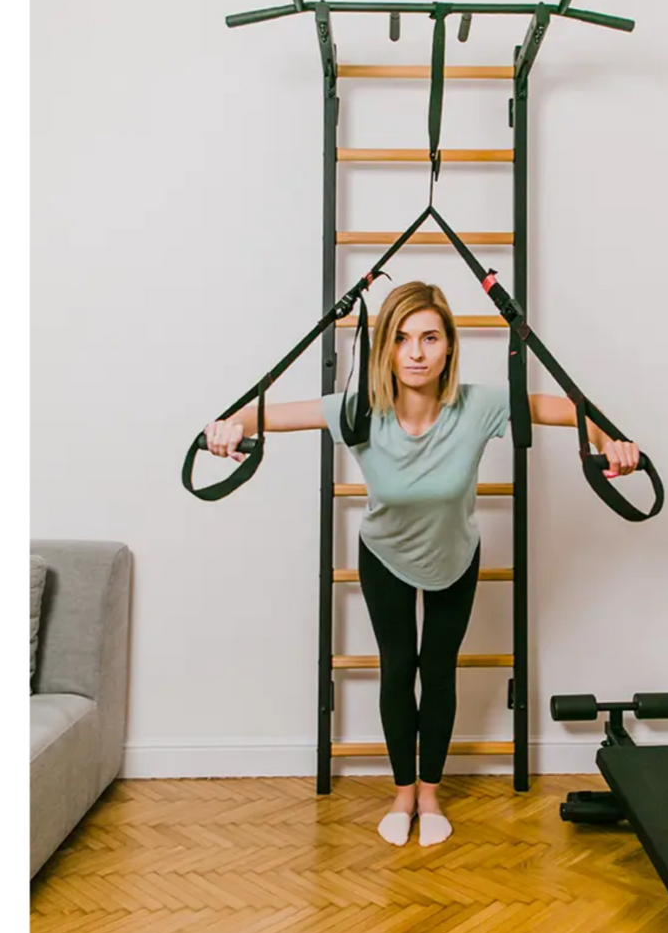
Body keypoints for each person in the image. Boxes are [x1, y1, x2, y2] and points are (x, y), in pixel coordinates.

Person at [203, 281, 640, 847]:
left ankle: (430, 793)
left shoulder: (479, 405)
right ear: (384, 347)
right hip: (383, 554)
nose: (415, 352)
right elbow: (261, 415)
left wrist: (616, 444)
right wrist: (226, 428)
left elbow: (570, 411)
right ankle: (402, 792)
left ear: (449, 347)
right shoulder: (358, 410)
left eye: (430, 337)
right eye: (403, 338)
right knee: (396, 669)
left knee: (437, 674)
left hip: (454, 556)